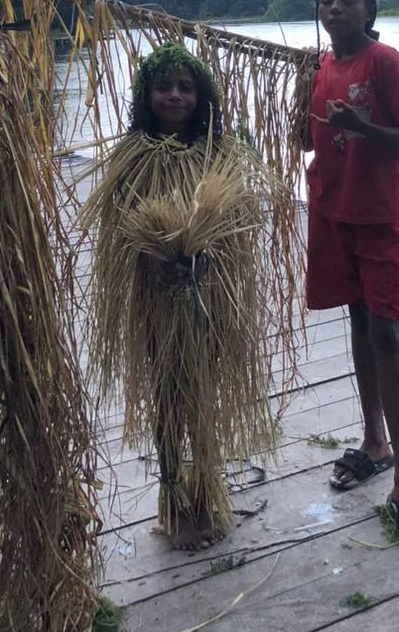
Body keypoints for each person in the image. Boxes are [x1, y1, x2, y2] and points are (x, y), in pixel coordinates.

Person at [80, 43, 278, 552]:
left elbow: (244, 219)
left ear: (202, 96)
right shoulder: (130, 159)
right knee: (169, 398)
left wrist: (208, 249)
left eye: (185, 87)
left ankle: (208, 491)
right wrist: (160, 253)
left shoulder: (222, 153)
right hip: (158, 297)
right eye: (163, 86)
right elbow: (117, 232)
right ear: (146, 94)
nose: (174, 96)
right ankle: (173, 506)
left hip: (211, 294)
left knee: (205, 397)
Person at [304, 0, 399, 544]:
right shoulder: (323, 65)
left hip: (381, 216)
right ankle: (373, 440)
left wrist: (364, 127)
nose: (336, 9)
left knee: (388, 333)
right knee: (359, 322)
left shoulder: (383, 63)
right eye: (328, 0)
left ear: (369, 11)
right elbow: (316, 136)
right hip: (334, 211)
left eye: (348, 0)